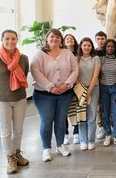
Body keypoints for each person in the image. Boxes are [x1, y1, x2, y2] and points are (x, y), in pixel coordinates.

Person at [31, 29, 79, 162]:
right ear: (47, 38)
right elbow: (35, 71)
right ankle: (46, 148)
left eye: (58, 37)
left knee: (60, 120)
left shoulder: (67, 53)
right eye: (52, 37)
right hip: (43, 95)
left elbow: (75, 70)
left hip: (65, 94)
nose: (55, 39)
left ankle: (60, 145)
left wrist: (67, 85)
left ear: (61, 40)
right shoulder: (39, 54)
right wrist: (50, 87)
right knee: (46, 121)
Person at [0, 30, 29, 174]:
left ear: (17, 40)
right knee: (6, 131)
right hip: (1, 101)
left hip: (20, 99)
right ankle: (10, 158)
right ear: (2, 40)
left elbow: (25, 73)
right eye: (7, 38)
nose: (10, 41)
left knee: (18, 129)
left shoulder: (23, 58)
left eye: (13, 38)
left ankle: (17, 154)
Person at [100, 39, 116, 148]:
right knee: (105, 113)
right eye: (108, 46)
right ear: (105, 47)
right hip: (103, 89)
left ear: (115, 48)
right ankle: (108, 134)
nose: (110, 48)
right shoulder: (101, 60)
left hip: (115, 88)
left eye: (112, 47)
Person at [76, 37, 101, 151]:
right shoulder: (76, 59)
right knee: (81, 115)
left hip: (94, 88)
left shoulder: (96, 58)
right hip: (79, 89)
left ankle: (91, 140)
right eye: (84, 45)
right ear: (81, 46)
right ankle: (83, 140)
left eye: (89, 45)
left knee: (92, 115)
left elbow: (96, 76)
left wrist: (88, 91)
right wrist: (82, 90)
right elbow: (74, 75)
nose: (86, 47)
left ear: (92, 47)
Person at [63, 34, 79, 145]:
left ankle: (76, 132)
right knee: (64, 111)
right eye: (67, 39)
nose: (69, 40)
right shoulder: (61, 54)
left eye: (71, 38)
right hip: (64, 86)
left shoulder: (79, 53)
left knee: (76, 109)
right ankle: (65, 133)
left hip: (76, 86)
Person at [94, 31, 107, 140]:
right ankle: (101, 126)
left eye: (102, 38)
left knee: (110, 106)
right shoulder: (93, 53)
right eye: (98, 39)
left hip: (109, 83)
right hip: (97, 83)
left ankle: (111, 125)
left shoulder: (110, 51)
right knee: (99, 107)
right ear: (96, 40)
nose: (101, 41)